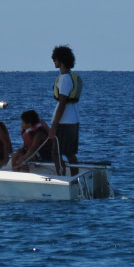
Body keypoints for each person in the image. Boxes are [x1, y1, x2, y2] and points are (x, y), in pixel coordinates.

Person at [50, 45, 82, 175]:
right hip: (73, 119)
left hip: (65, 122)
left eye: (55, 59)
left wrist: (53, 126)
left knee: (56, 153)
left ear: (60, 60)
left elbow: (62, 103)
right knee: (69, 152)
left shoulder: (64, 79)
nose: (54, 61)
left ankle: (62, 176)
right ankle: (74, 176)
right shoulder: (70, 77)